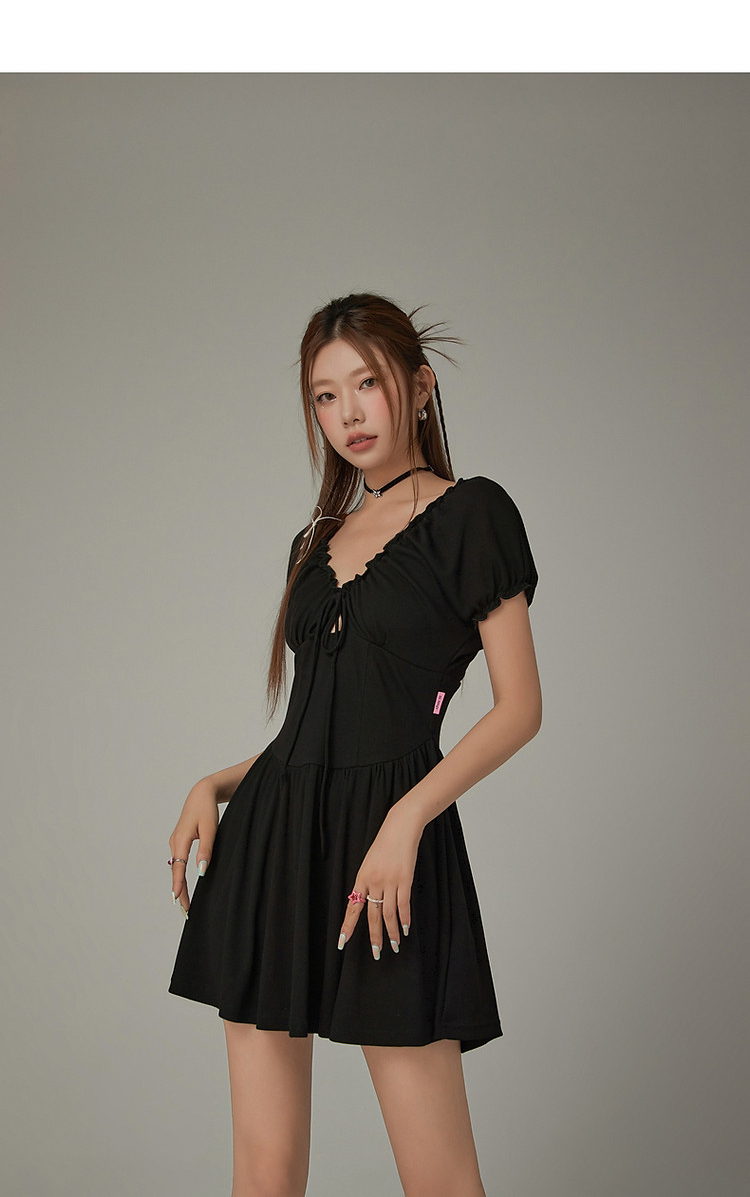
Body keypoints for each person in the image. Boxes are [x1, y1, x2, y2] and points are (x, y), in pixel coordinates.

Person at [167, 292, 542, 1197]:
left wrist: (406, 821)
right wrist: (215, 784)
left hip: (389, 860)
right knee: (262, 1171)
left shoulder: (473, 515)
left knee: (440, 1176)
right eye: (325, 397)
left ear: (420, 386)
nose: (348, 414)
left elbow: (520, 708)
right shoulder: (317, 539)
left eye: (366, 384)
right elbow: (317, 729)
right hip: (270, 848)